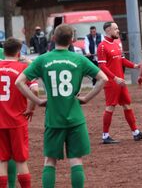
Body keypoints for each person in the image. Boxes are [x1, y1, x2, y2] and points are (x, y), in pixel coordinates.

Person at [16, 24, 108, 188]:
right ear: (72, 40)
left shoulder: (43, 59)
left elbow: (19, 82)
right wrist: (86, 98)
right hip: (75, 117)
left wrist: (37, 102)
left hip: (53, 118)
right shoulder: (79, 59)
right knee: (76, 160)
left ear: (53, 38)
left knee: (50, 161)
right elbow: (103, 79)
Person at [97, 21, 142, 144]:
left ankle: (136, 133)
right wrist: (114, 78)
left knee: (127, 105)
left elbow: (122, 60)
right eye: (115, 29)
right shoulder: (102, 46)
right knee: (110, 107)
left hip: (120, 82)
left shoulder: (116, 44)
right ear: (108, 30)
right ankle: (105, 136)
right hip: (112, 82)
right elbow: (102, 66)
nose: (118, 31)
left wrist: (135, 66)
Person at [0, 37, 38, 188]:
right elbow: (35, 89)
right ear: (18, 51)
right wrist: (31, 108)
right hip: (17, 120)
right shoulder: (23, 69)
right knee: (20, 160)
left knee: (1, 160)